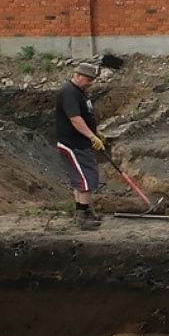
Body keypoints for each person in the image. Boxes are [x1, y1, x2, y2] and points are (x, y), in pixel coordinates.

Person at [55, 62, 106, 229]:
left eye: (92, 80)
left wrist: (96, 131)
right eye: (88, 79)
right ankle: (82, 217)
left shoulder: (80, 92)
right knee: (86, 178)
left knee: (81, 178)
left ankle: (83, 211)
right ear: (77, 75)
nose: (90, 82)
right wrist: (91, 136)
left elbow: (86, 116)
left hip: (80, 143)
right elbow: (75, 119)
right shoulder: (69, 92)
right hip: (74, 143)